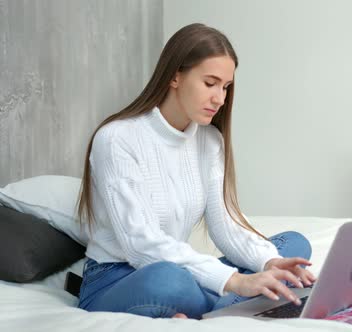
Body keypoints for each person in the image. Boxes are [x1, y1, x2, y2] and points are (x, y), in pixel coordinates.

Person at [76, 23, 316, 320]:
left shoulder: (209, 140)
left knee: (292, 246)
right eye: (210, 83)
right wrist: (236, 281)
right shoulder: (117, 139)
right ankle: (232, 304)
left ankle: (212, 307)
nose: (221, 98)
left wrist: (268, 263)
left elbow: (224, 226)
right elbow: (140, 244)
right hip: (115, 280)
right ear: (176, 76)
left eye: (226, 87)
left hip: (177, 267)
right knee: (171, 279)